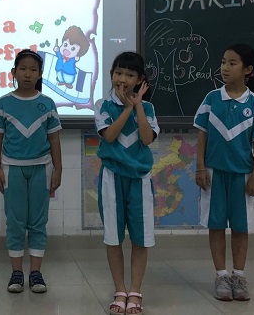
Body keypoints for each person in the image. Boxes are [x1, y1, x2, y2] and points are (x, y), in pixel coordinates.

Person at [194, 43, 254, 302]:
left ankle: (239, 275)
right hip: (214, 174)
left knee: (241, 226)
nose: (225, 68)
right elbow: (201, 135)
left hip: (242, 175)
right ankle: (221, 275)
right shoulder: (211, 99)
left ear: (247, 69)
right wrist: (200, 167)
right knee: (215, 225)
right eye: (223, 62)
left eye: (232, 63)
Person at [0, 49, 62, 294]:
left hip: (42, 168)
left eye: (33, 70)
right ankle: (17, 273)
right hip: (12, 169)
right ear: (14, 72)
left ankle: (36, 273)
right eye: (23, 69)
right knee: (16, 222)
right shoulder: (4, 103)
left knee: (38, 222)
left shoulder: (47, 103)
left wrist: (58, 169)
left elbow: (54, 139)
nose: (27, 74)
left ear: (40, 74)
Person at [94, 51, 159, 315]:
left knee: (141, 238)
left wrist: (138, 107)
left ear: (140, 80)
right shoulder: (103, 105)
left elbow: (147, 138)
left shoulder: (149, 109)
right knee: (113, 237)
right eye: (118, 73)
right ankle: (120, 290)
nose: (122, 79)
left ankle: (135, 291)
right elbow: (109, 136)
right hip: (112, 177)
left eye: (130, 75)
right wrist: (128, 109)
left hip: (140, 180)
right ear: (111, 74)